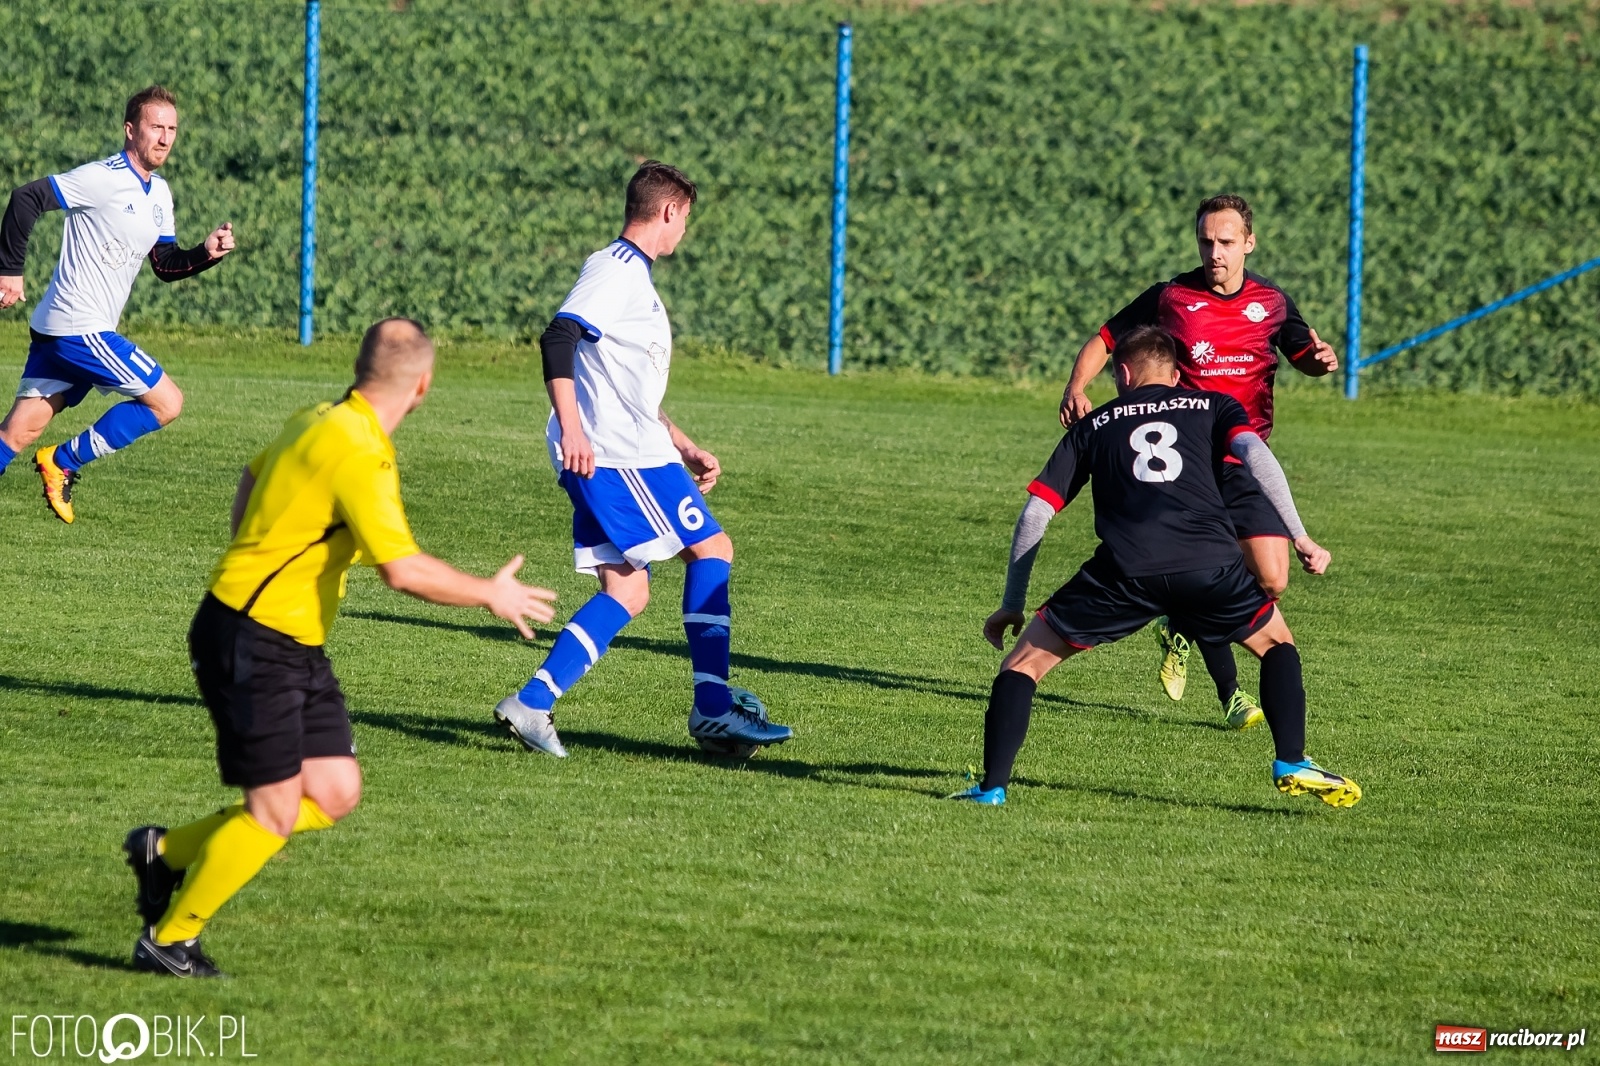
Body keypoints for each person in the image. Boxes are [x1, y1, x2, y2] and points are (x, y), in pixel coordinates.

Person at [122, 319, 559, 978]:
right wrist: (490, 594)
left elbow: (251, 474)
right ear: (424, 386)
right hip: (251, 637)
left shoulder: (317, 417)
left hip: (292, 640)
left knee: (333, 791)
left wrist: (259, 546)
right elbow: (402, 569)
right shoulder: (363, 453)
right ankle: (171, 938)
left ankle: (165, 852)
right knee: (272, 813)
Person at [952, 325, 1358, 808]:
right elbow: (1257, 457)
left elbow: (1036, 513)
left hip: (1124, 574)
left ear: (1122, 372)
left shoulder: (1093, 425)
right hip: (1210, 565)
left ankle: (992, 788)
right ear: (1178, 372)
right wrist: (1300, 536)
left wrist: (1011, 603)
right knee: (1276, 644)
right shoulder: (1213, 406)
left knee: (1023, 664)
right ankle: (1291, 759)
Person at [492, 161, 793, 758]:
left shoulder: (632, 279)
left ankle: (532, 703)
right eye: (687, 219)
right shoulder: (618, 269)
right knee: (713, 550)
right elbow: (558, 338)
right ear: (669, 211)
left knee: (627, 592)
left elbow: (622, 386)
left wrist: (681, 441)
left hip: (624, 450)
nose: (685, 232)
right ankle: (713, 710)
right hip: (618, 457)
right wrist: (576, 431)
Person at [1057, 194, 1334, 729]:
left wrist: (1322, 362)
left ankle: (1180, 624)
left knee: (1273, 580)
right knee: (1202, 570)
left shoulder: (1272, 303)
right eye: (1206, 241)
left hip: (1246, 460)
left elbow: (1303, 353)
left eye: (1227, 242)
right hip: (1188, 465)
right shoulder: (1171, 298)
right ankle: (1231, 693)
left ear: (1249, 243)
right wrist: (1076, 385)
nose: (1215, 252)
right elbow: (1105, 339)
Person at [0, 85, 235, 523]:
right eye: (155, 127)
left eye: (172, 129)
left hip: (61, 330)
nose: (164, 138)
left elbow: (164, 265)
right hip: (78, 327)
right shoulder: (103, 177)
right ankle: (63, 461)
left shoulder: (160, 194)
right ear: (130, 130)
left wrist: (205, 253)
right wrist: (9, 270)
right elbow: (26, 198)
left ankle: (57, 459)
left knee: (18, 432)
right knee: (167, 403)